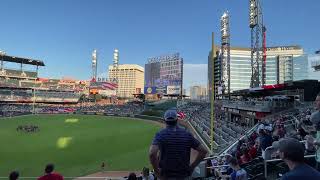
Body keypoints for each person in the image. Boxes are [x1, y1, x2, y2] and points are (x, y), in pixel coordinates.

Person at [149, 109, 208, 180]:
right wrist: (192, 167)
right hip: (183, 175)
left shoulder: (160, 134)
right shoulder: (187, 134)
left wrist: (157, 172)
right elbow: (203, 151)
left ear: (165, 121)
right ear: (177, 120)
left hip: (166, 175)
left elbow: (152, 153)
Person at [311, 93, 320, 170]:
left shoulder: (316, 116)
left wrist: (315, 142)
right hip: (318, 156)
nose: (315, 102)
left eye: (318, 100)